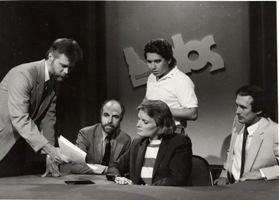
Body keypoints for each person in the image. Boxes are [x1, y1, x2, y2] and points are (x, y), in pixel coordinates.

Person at [0, 38, 83, 177]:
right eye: (63, 65)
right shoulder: (23, 74)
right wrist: (50, 149)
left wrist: (49, 156)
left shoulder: (55, 82)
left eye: (70, 67)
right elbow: (20, 118)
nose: (67, 71)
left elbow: (48, 118)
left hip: (17, 148)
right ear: (51, 57)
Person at [107, 100, 192, 186]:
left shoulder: (180, 143)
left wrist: (149, 189)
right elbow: (115, 166)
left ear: (161, 125)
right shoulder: (137, 143)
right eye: (139, 119)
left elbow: (177, 178)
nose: (138, 124)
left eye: (145, 122)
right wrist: (118, 177)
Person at [214, 85, 279, 185]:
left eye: (243, 107)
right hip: (232, 187)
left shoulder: (274, 131)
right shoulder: (238, 121)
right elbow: (232, 153)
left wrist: (260, 173)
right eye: (237, 105)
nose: (237, 111)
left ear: (258, 110)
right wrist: (224, 175)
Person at [144, 38, 198, 134]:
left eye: (157, 61)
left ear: (168, 59)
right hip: (152, 132)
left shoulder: (181, 80)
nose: (153, 67)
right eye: (149, 62)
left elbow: (193, 113)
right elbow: (148, 101)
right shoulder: (151, 77)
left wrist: (162, 110)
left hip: (172, 133)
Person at [69, 100, 131, 174]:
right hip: (88, 181)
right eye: (106, 115)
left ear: (121, 119)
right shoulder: (86, 133)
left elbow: (125, 169)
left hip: (112, 183)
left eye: (115, 117)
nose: (109, 121)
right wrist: (105, 170)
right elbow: (75, 166)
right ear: (101, 116)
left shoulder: (125, 139)